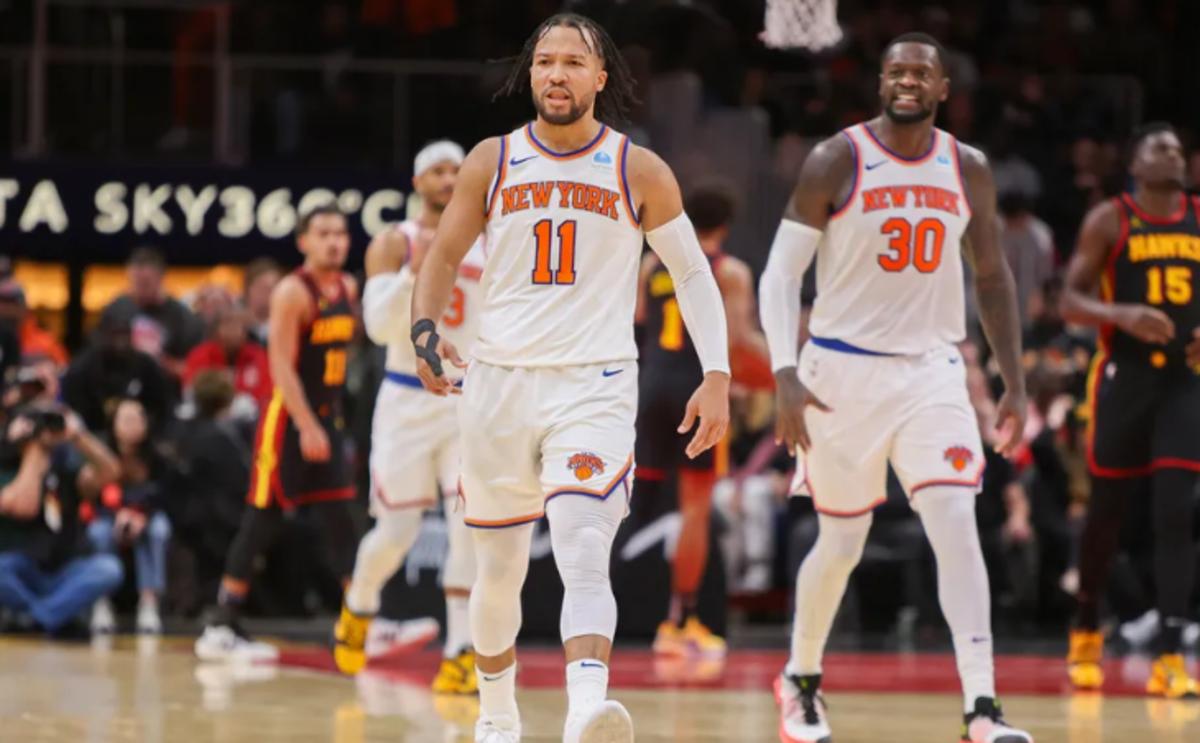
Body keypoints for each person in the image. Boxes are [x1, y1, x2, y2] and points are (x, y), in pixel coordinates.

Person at [410, 14, 730, 743]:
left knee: (585, 542)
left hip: (594, 381)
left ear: (600, 77)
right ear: (531, 76)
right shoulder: (491, 161)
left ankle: (587, 707)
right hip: (498, 382)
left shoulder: (637, 167)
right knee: (498, 568)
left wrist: (715, 371)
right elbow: (441, 255)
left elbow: (690, 270)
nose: (557, 74)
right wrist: (423, 331)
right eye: (545, 62)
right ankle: (497, 713)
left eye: (572, 63)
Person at [758, 33, 1033, 743]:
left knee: (955, 520)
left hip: (931, 369)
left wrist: (1012, 380)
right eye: (896, 70)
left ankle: (982, 707)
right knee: (842, 540)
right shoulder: (836, 158)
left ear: (944, 88)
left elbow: (994, 276)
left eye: (922, 72)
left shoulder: (966, 167)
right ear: (880, 81)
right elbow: (781, 275)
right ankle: (802, 676)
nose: (908, 80)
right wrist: (784, 372)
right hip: (838, 371)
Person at [333, 141, 485, 690]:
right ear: (418, 181)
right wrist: (411, 275)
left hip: (467, 397)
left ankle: (460, 650)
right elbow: (375, 329)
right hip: (405, 395)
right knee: (396, 531)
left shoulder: (489, 237)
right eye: (438, 171)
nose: (449, 179)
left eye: (456, 170)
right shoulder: (393, 242)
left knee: (470, 525)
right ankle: (361, 602)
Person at [1060, 122, 1200, 698]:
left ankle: (1170, 653)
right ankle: (1087, 625)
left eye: (1177, 148)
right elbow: (1067, 299)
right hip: (1125, 379)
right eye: (1159, 148)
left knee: (1176, 513)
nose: (1173, 154)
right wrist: (1121, 315)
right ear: (1136, 165)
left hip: (1186, 383)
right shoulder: (1110, 219)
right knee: (1106, 515)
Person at [194, 204, 361, 662]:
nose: (334, 242)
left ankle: (359, 620)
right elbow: (281, 365)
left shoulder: (348, 286)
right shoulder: (293, 290)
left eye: (341, 234)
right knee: (262, 518)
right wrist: (307, 425)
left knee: (341, 520)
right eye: (323, 233)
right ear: (303, 241)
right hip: (286, 419)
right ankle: (222, 622)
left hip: (327, 415)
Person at [633, 184, 766, 656]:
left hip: (650, 386)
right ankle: (680, 622)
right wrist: (783, 379)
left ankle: (598, 611)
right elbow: (738, 342)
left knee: (625, 502)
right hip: (696, 388)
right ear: (726, 225)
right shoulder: (729, 271)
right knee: (694, 509)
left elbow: (637, 322)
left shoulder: (652, 265)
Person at [0, 400, 123, 636]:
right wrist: (34, 449)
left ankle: (37, 618)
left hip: (63, 569)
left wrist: (78, 436)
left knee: (108, 568)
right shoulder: (7, 471)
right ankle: (55, 615)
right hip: (21, 569)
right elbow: (25, 506)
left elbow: (111, 472)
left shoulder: (66, 471)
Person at [87, 398, 173, 635]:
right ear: (113, 424)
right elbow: (90, 494)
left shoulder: (157, 455)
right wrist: (117, 513)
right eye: (125, 419)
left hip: (145, 515)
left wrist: (140, 514)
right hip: (108, 514)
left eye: (137, 419)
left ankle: (149, 602)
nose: (132, 425)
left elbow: (163, 494)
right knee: (98, 532)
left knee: (158, 530)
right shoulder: (100, 452)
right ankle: (100, 601)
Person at [97, 246, 204, 378]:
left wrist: (166, 363)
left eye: (146, 282)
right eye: (136, 282)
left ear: (160, 278)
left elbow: (194, 367)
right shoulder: (116, 310)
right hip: (122, 384)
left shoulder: (183, 317)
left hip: (166, 388)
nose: (140, 288)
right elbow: (97, 354)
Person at [183, 305, 273, 412]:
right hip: (209, 413)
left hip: (246, 418)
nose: (232, 331)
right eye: (227, 325)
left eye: (237, 325)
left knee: (245, 406)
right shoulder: (200, 354)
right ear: (215, 331)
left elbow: (265, 391)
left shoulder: (258, 355)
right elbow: (192, 389)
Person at [243, 258, 283, 347]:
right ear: (248, 289)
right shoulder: (233, 327)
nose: (271, 293)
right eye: (264, 288)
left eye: (275, 288)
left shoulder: (286, 328)